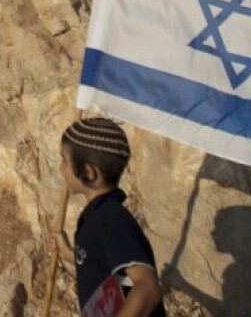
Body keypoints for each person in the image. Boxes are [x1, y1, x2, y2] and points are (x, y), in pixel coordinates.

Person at [47, 118, 166, 317]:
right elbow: (108, 270)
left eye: (65, 161)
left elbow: (147, 288)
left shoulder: (109, 218)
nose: (61, 168)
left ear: (89, 172)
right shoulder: (98, 215)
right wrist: (70, 254)